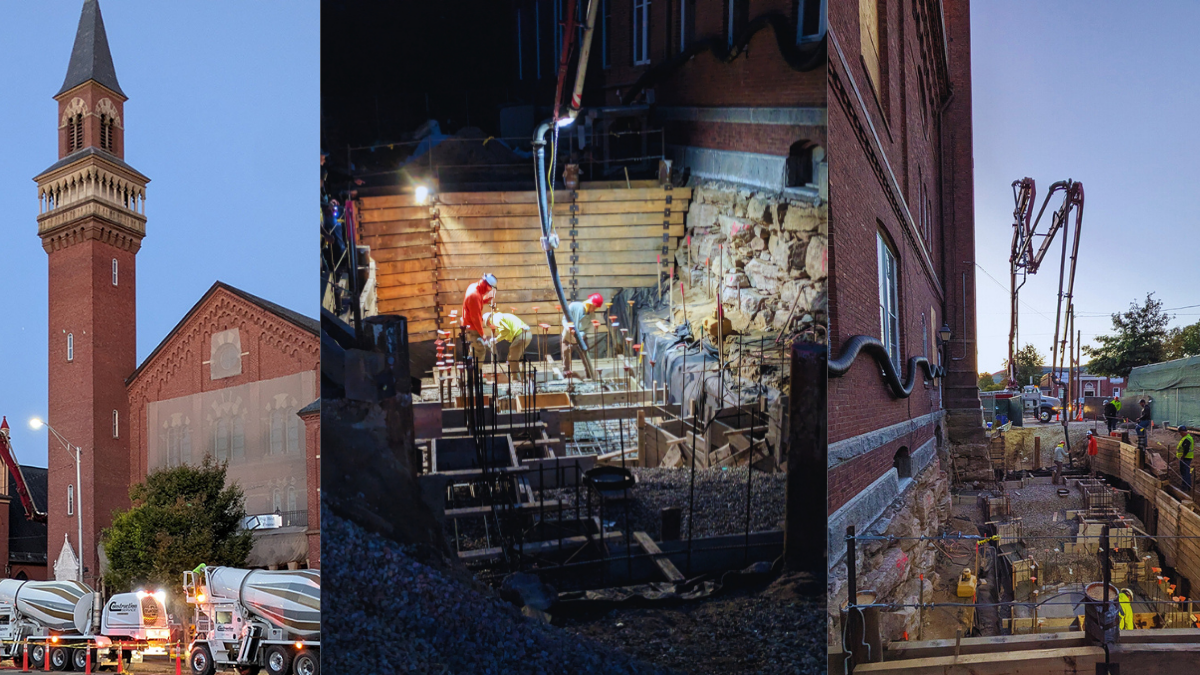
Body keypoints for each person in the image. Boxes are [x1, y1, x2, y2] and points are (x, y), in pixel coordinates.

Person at [561, 293, 603, 372]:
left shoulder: (592, 316)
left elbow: (587, 329)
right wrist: (568, 328)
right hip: (567, 336)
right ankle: (566, 374)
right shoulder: (573, 306)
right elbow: (564, 320)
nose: (594, 309)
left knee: (585, 356)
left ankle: (589, 375)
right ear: (589, 304)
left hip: (581, 338)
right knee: (566, 356)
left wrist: (580, 336)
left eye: (596, 308)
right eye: (593, 307)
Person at [461, 273, 497, 362]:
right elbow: (475, 318)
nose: (489, 291)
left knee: (474, 350)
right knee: (479, 350)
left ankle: (472, 373)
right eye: (490, 288)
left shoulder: (474, 287)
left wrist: (487, 299)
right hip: (472, 327)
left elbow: (478, 303)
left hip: (469, 324)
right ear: (486, 285)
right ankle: (476, 374)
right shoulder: (474, 295)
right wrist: (482, 335)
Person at [1178, 425, 1195, 492]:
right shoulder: (1187, 437)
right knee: (1184, 471)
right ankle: (1185, 485)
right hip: (1186, 457)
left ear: (1182, 432)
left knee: (1185, 472)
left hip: (1186, 458)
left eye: (1180, 433)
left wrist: (1182, 456)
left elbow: (1186, 449)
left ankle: (1186, 486)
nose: (1180, 434)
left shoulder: (1187, 439)